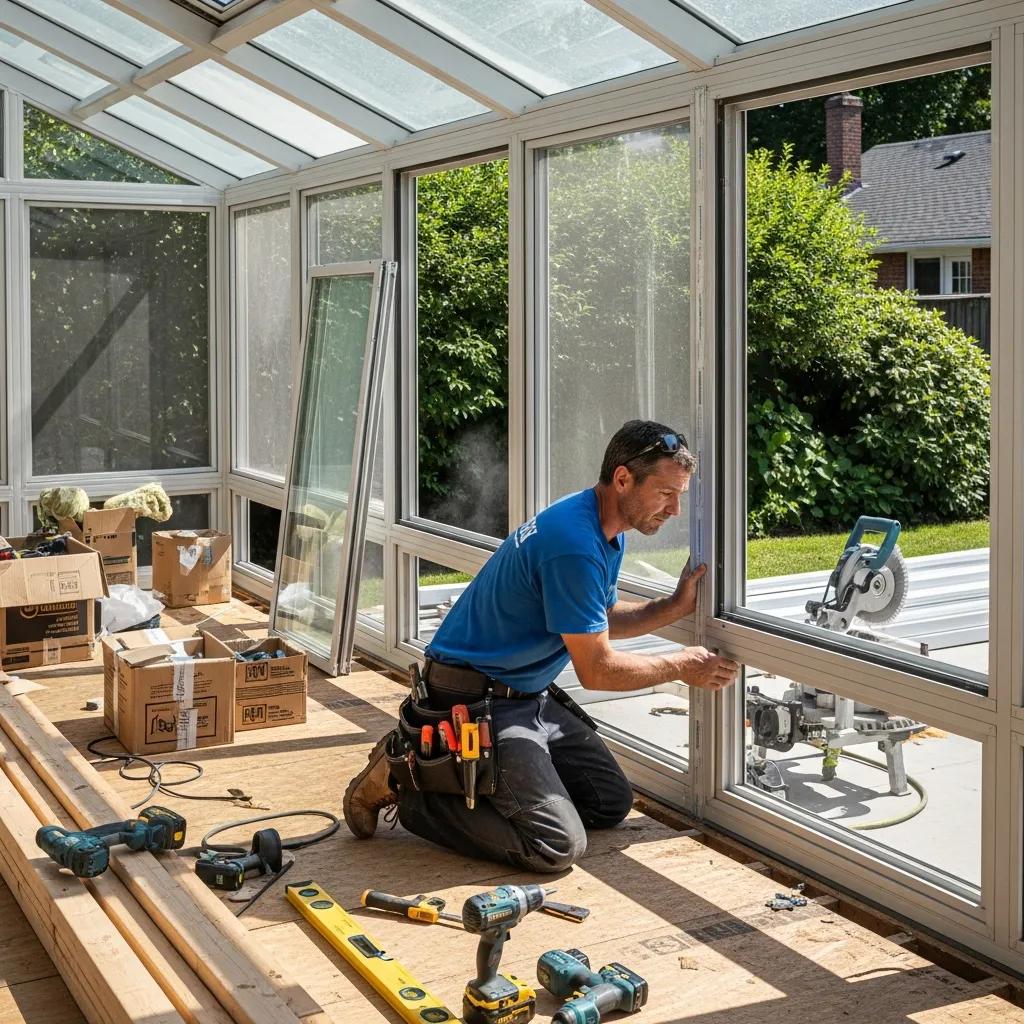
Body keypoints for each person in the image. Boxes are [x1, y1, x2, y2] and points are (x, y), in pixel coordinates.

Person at [343, 419, 739, 872]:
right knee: (555, 845)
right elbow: (597, 670)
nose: (675, 510)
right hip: (473, 700)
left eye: (680, 496)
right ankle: (411, 786)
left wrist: (672, 607)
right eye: (666, 493)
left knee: (608, 803)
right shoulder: (574, 543)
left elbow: (596, 618)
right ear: (623, 478)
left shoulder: (602, 527)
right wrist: (680, 666)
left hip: (526, 695)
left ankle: (476, 780)